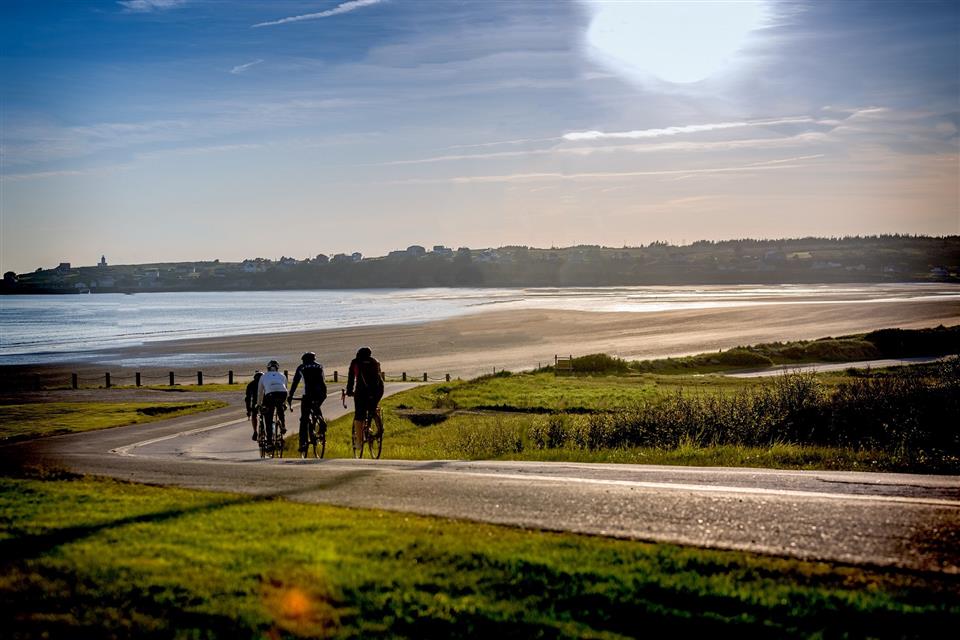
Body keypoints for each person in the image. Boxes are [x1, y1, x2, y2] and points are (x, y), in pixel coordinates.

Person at [288, 351, 327, 455]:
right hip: (322, 393)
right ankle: (320, 420)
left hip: (309, 394)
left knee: (304, 419)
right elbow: (323, 380)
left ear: (304, 359)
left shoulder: (302, 367)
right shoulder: (320, 366)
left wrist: (290, 396)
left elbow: (295, 382)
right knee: (316, 407)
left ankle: (303, 444)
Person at [346, 346, 384, 447]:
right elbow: (379, 377)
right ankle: (378, 424)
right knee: (373, 406)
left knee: (359, 415)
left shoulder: (355, 362)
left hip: (362, 391)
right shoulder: (375, 361)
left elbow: (351, 378)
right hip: (378, 390)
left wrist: (349, 391)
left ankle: (359, 441)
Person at [257, 360, 288, 441]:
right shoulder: (282, 375)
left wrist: (259, 404)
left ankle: (270, 441)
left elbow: (260, 392)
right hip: (283, 393)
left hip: (270, 394)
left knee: (268, 418)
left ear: (268, 368)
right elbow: (285, 389)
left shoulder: (263, 376)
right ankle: (283, 425)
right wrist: (284, 403)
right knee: (280, 406)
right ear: (277, 368)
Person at [244, 370, 263, 441]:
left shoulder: (250, 384)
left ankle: (255, 431)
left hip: (255, 404)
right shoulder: (265, 383)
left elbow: (247, 399)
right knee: (268, 415)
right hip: (265, 402)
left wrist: (248, 410)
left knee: (254, 415)